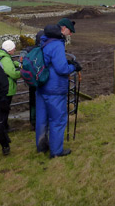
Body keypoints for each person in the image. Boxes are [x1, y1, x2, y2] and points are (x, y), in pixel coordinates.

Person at [35, 18, 82, 158]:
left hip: (42, 86)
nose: (70, 34)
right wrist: (74, 66)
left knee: (42, 118)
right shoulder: (57, 44)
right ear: (62, 29)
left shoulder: (44, 41)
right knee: (58, 119)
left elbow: (51, 62)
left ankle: (41, 146)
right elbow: (61, 69)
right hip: (54, 88)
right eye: (69, 31)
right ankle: (56, 151)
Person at [0, 40, 20, 134]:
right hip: (7, 87)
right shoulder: (5, 59)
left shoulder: (1, 55)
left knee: (2, 108)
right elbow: (12, 73)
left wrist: (19, 64)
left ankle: (1, 126)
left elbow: (10, 64)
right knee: (4, 109)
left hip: (1, 87)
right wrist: (23, 72)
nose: (15, 49)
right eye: (13, 48)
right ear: (9, 49)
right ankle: (3, 128)